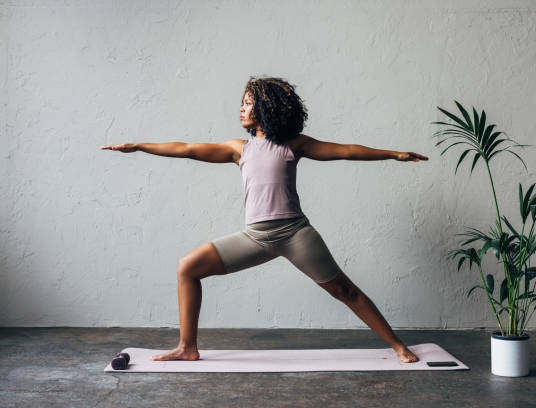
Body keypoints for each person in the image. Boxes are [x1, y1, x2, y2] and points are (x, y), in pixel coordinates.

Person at [100, 75, 429, 363]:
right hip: (255, 237)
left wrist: (393, 154)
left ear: (267, 108)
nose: (241, 109)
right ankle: (187, 347)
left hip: (296, 233)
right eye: (241, 103)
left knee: (344, 290)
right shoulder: (237, 149)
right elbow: (187, 148)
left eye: (247, 103)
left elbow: (344, 150)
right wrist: (140, 146)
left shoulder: (293, 145)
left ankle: (398, 346)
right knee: (187, 267)